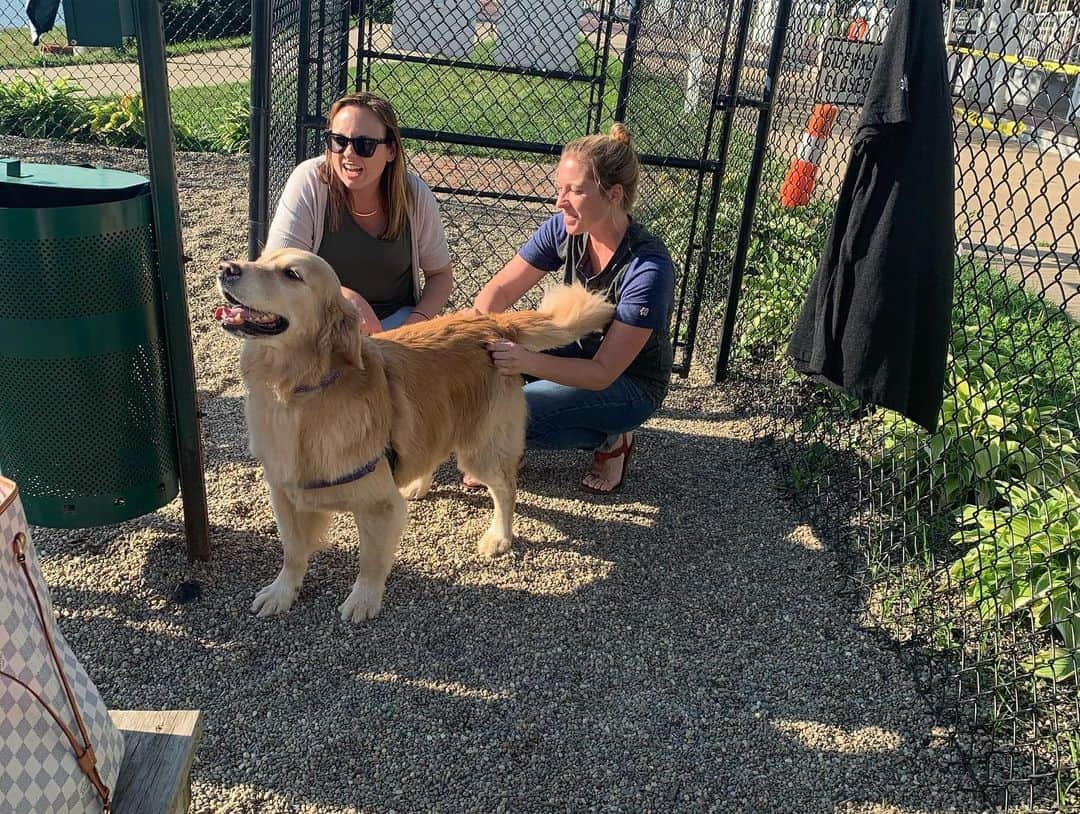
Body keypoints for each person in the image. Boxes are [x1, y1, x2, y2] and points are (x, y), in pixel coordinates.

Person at [468, 124, 675, 494]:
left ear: (613, 194)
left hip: (627, 381)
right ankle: (512, 440)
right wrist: (481, 335)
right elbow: (498, 290)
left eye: (575, 191)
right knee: (482, 391)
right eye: (559, 189)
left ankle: (612, 438)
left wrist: (523, 361)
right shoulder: (563, 228)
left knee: (508, 418)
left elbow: (602, 373)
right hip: (573, 352)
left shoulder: (648, 267)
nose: (559, 201)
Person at [265, 91, 453, 333]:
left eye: (365, 145)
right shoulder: (311, 181)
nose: (348, 154)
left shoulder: (414, 195)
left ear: (391, 151)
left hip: (395, 326)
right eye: (339, 141)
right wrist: (342, 297)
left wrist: (414, 324)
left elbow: (440, 275)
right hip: (321, 321)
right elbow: (278, 265)